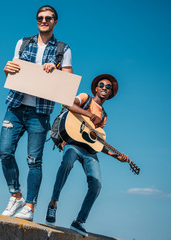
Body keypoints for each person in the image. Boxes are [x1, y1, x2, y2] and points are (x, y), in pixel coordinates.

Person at [0, 5, 73, 222]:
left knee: (34, 161)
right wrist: (7, 69)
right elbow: (11, 69)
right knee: (4, 152)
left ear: (55, 22)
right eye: (40, 17)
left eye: (48, 18)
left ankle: (30, 207)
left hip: (39, 113)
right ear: (37, 20)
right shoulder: (23, 42)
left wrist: (56, 70)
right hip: (15, 106)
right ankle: (16, 196)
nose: (44, 20)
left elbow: (67, 82)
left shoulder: (63, 49)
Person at [45, 74, 129, 236]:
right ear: (96, 88)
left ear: (111, 93)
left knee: (96, 184)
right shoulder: (85, 98)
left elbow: (96, 142)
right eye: (102, 85)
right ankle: (53, 203)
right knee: (67, 162)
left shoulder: (104, 117)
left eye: (108, 87)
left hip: (89, 152)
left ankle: (79, 222)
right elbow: (67, 103)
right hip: (73, 144)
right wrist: (90, 115)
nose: (105, 88)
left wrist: (115, 156)